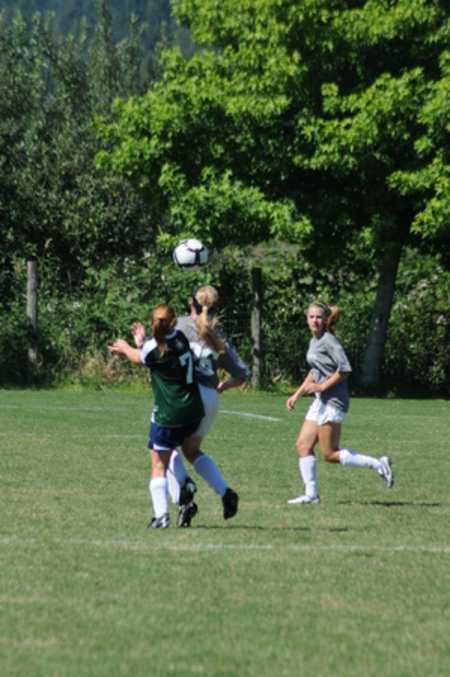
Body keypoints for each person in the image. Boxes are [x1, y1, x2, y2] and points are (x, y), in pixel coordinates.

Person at [132, 285, 249, 527]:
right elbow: (242, 375)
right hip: (211, 398)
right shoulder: (218, 334)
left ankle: (183, 490)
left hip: (186, 396)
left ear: (191, 303)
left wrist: (138, 344)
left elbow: (156, 353)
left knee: (164, 445)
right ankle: (224, 491)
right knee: (191, 450)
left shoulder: (181, 327)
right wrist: (223, 386)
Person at [286, 299, 393, 504]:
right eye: (311, 317)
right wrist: (297, 394)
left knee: (329, 454)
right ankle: (311, 495)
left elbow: (344, 369)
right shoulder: (314, 341)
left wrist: (321, 387)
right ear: (306, 319)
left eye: (319, 317)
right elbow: (315, 370)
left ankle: (378, 464)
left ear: (325, 319)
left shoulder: (330, 341)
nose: (315, 321)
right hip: (321, 400)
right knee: (303, 445)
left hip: (334, 401)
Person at [108, 303, 204, 529]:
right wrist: (141, 344)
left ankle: (162, 514)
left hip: (169, 411)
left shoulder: (154, 347)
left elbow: (140, 357)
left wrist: (125, 348)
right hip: (191, 410)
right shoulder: (180, 338)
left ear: (153, 324)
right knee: (168, 451)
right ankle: (184, 493)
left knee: (158, 463)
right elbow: (151, 354)